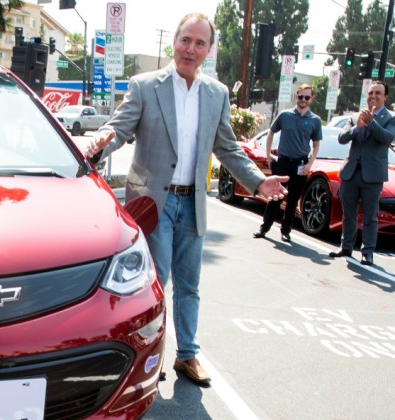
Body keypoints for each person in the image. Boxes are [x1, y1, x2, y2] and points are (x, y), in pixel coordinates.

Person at [87, 13, 289, 387]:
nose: (190, 49)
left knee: (190, 284)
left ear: (208, 50)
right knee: (155, 283)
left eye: (199, 43)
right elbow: (119, 127)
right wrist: (100, 143)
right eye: (185, 40)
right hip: (154, 203)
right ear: (174, 42)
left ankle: (188, 355)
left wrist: (258, 181)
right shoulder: (145, 85)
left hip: (193, 203)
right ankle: (153, 357)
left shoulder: (216, 94)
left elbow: (228, 148)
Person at [329, 80, 394, 266]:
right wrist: (357, 127)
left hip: (372, 176)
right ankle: (346, 246)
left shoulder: (390, 118)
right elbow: (341, 138)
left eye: (378, 93)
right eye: (371, 93)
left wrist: (371, 123)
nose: (373, 96)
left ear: (385, 96)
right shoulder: (355, 116)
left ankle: (367, 252)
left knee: (370, 217)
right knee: (348, 214)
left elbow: (388, 137)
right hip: (350, 173)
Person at [253, 83, 322, 242]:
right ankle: (264, 228)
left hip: (301, 164)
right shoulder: (285, 115)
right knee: (275, 197)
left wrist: (309, 164)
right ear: (296, 96)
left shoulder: (315, 120)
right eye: (301, 96)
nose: (303, 100)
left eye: (307, 97)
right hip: (283, 162)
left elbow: (316, 144)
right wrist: (268, 154)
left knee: (292, 200)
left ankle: (286, 231)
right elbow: (271, 132)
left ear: (311, 98)